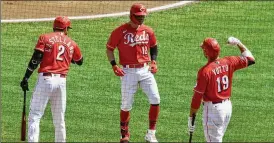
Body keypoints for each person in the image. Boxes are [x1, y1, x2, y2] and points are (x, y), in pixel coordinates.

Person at [20, 16, 83, 142]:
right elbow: (80, 61)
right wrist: (68, 58)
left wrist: (26, 78)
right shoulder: (71, 43)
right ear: (65, 28)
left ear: (54, 26)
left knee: (35, 116)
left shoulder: (45, 38)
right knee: (59, 119)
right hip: (61, 83)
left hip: (45, 81)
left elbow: (36, 59)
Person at [106, 3, 160, 143]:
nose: (141, 19)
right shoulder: (120, 31)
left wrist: (153, 61)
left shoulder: (148, 31)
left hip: (145, 70)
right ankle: (124, 135)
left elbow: (154, 47)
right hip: (128, 71)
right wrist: (114, 65)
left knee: (156, 99)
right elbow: (110, 49)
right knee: (126, 105)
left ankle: (151, 133)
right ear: (131, 15)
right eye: (139, 16)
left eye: (143, 16)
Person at [188, 37, 255, 142]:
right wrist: (238, 43)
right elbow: (250, 59)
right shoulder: (229, 61)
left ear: (206, 53)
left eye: (204, 49)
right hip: (227, 108)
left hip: (213, 111)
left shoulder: (205, 72)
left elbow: (196, 99)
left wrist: (191, 118)